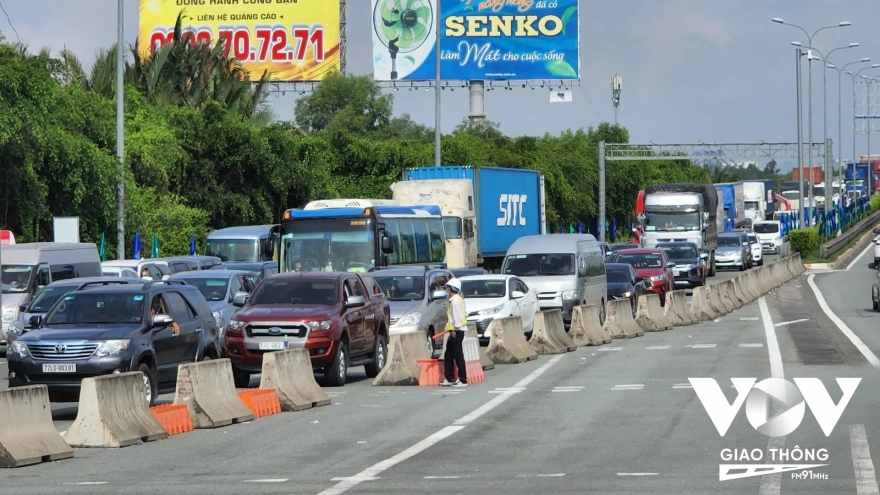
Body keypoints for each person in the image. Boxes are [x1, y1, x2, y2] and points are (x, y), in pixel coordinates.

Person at [440, 278, 467, 388]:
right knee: (449, 354)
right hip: (455, 330)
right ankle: (450, 377)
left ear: (450, 288)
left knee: (457, 355)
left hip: (457, 331)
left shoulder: (455, 301)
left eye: (447, 287)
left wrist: (455, 330)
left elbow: (457, 317)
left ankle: (463, 379)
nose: (446, 290)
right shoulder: (456, 300)